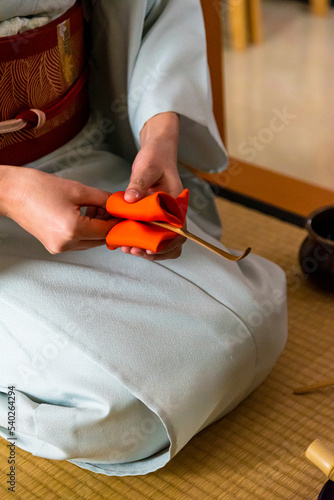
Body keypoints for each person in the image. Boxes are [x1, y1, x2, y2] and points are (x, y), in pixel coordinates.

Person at [0, 0, 288, 476]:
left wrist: (159, 132)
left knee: (253, 319)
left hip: (78, 156)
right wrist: (9, 192)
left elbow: (154, 9)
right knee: (126, 407)